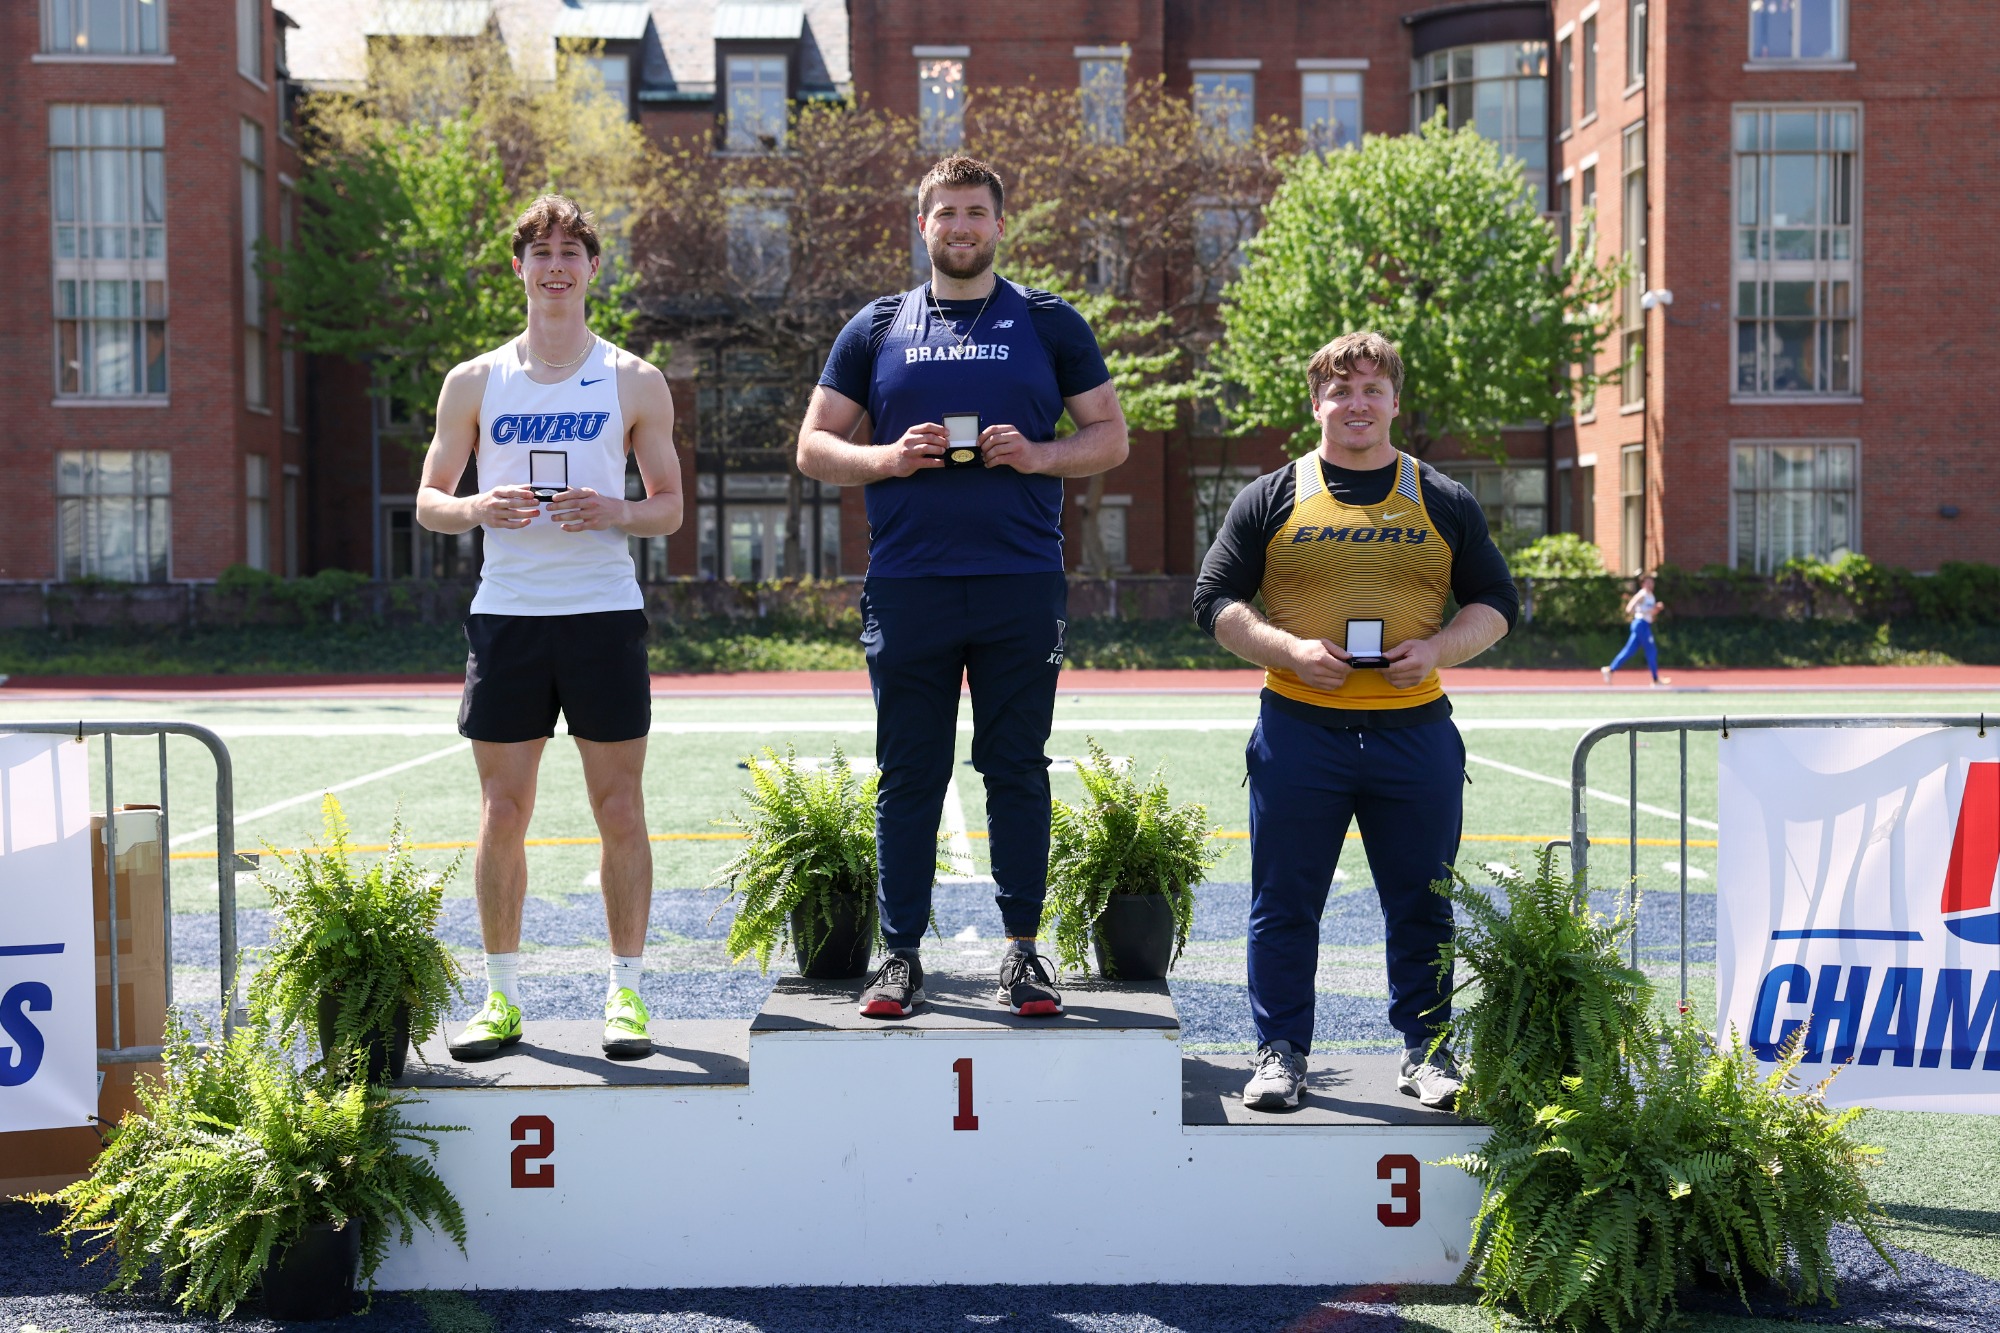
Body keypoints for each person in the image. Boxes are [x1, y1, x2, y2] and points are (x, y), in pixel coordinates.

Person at [796, 155, 1129, 1019]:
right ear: (922, 225)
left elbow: (1110, 437)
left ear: (999, 224)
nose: (961, 227)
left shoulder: (1049, 321)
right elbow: (813, 446)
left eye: (976, 212)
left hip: (1021, 582)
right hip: (909, 584)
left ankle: (1024, 951)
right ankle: (899, 953)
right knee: (910, 771)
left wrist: (1039, 454)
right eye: (945, 213)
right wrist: (887, 457)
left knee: (1015, 765)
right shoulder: (875, 326)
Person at [1192, 331, 1518, 1112]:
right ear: (1317, 403)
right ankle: (1279, 1053)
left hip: (1414, 732)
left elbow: (1497, 604)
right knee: (1283, 901)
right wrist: (1289, 650)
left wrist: (1440, 645)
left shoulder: (1441, 496)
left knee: (1423, 902)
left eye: (1373, 389)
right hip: (1300, 730)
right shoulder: (1271, 494)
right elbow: (1214, 602)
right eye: (1341, 390)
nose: (1357, 403)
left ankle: (1428, 1051)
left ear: (1395, 401)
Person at [416, 195, 682, 1060]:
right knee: (502, 811)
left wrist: (617, 507)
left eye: (572, 251)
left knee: (619, 807)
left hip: (603, 615)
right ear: (522, 270)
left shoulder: (634, 379)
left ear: (594, 268)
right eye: (542, 252)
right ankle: (499, 998)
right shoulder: (475, 380)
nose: (557, 266)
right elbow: (428, 502)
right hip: (510, 619)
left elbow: (671, 508)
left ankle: (628, 995)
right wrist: (474, 506)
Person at [1602, 572, 1669, 686]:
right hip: (1640, 624)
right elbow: (1629, 608)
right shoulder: (1642, 594)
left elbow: (1651, 614)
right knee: (1651, 650)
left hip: (1645, 624)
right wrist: (1642, 611)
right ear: (1642, 584)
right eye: (1647, 582)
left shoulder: (1651, 596)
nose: (1650, 584)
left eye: (1651, 582)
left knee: (1629, 651)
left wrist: (1656, 609)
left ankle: (1610, 670)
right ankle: (1655, 679)